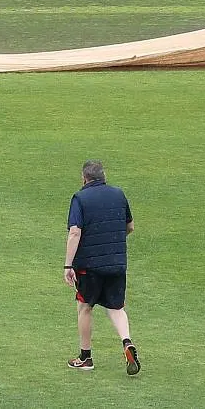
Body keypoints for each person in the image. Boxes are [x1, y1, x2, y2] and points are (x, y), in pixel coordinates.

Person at [64, 160, 140, 375]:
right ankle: (127, 342)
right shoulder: (118, 194)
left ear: (84, 178)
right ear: (103, 176)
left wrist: (68, 264)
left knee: (85, 306)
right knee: (116, 308)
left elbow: (75, 232)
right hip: (117, 263)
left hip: (89, 266)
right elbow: (130, 226)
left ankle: (85, 358)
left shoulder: (80, 198)